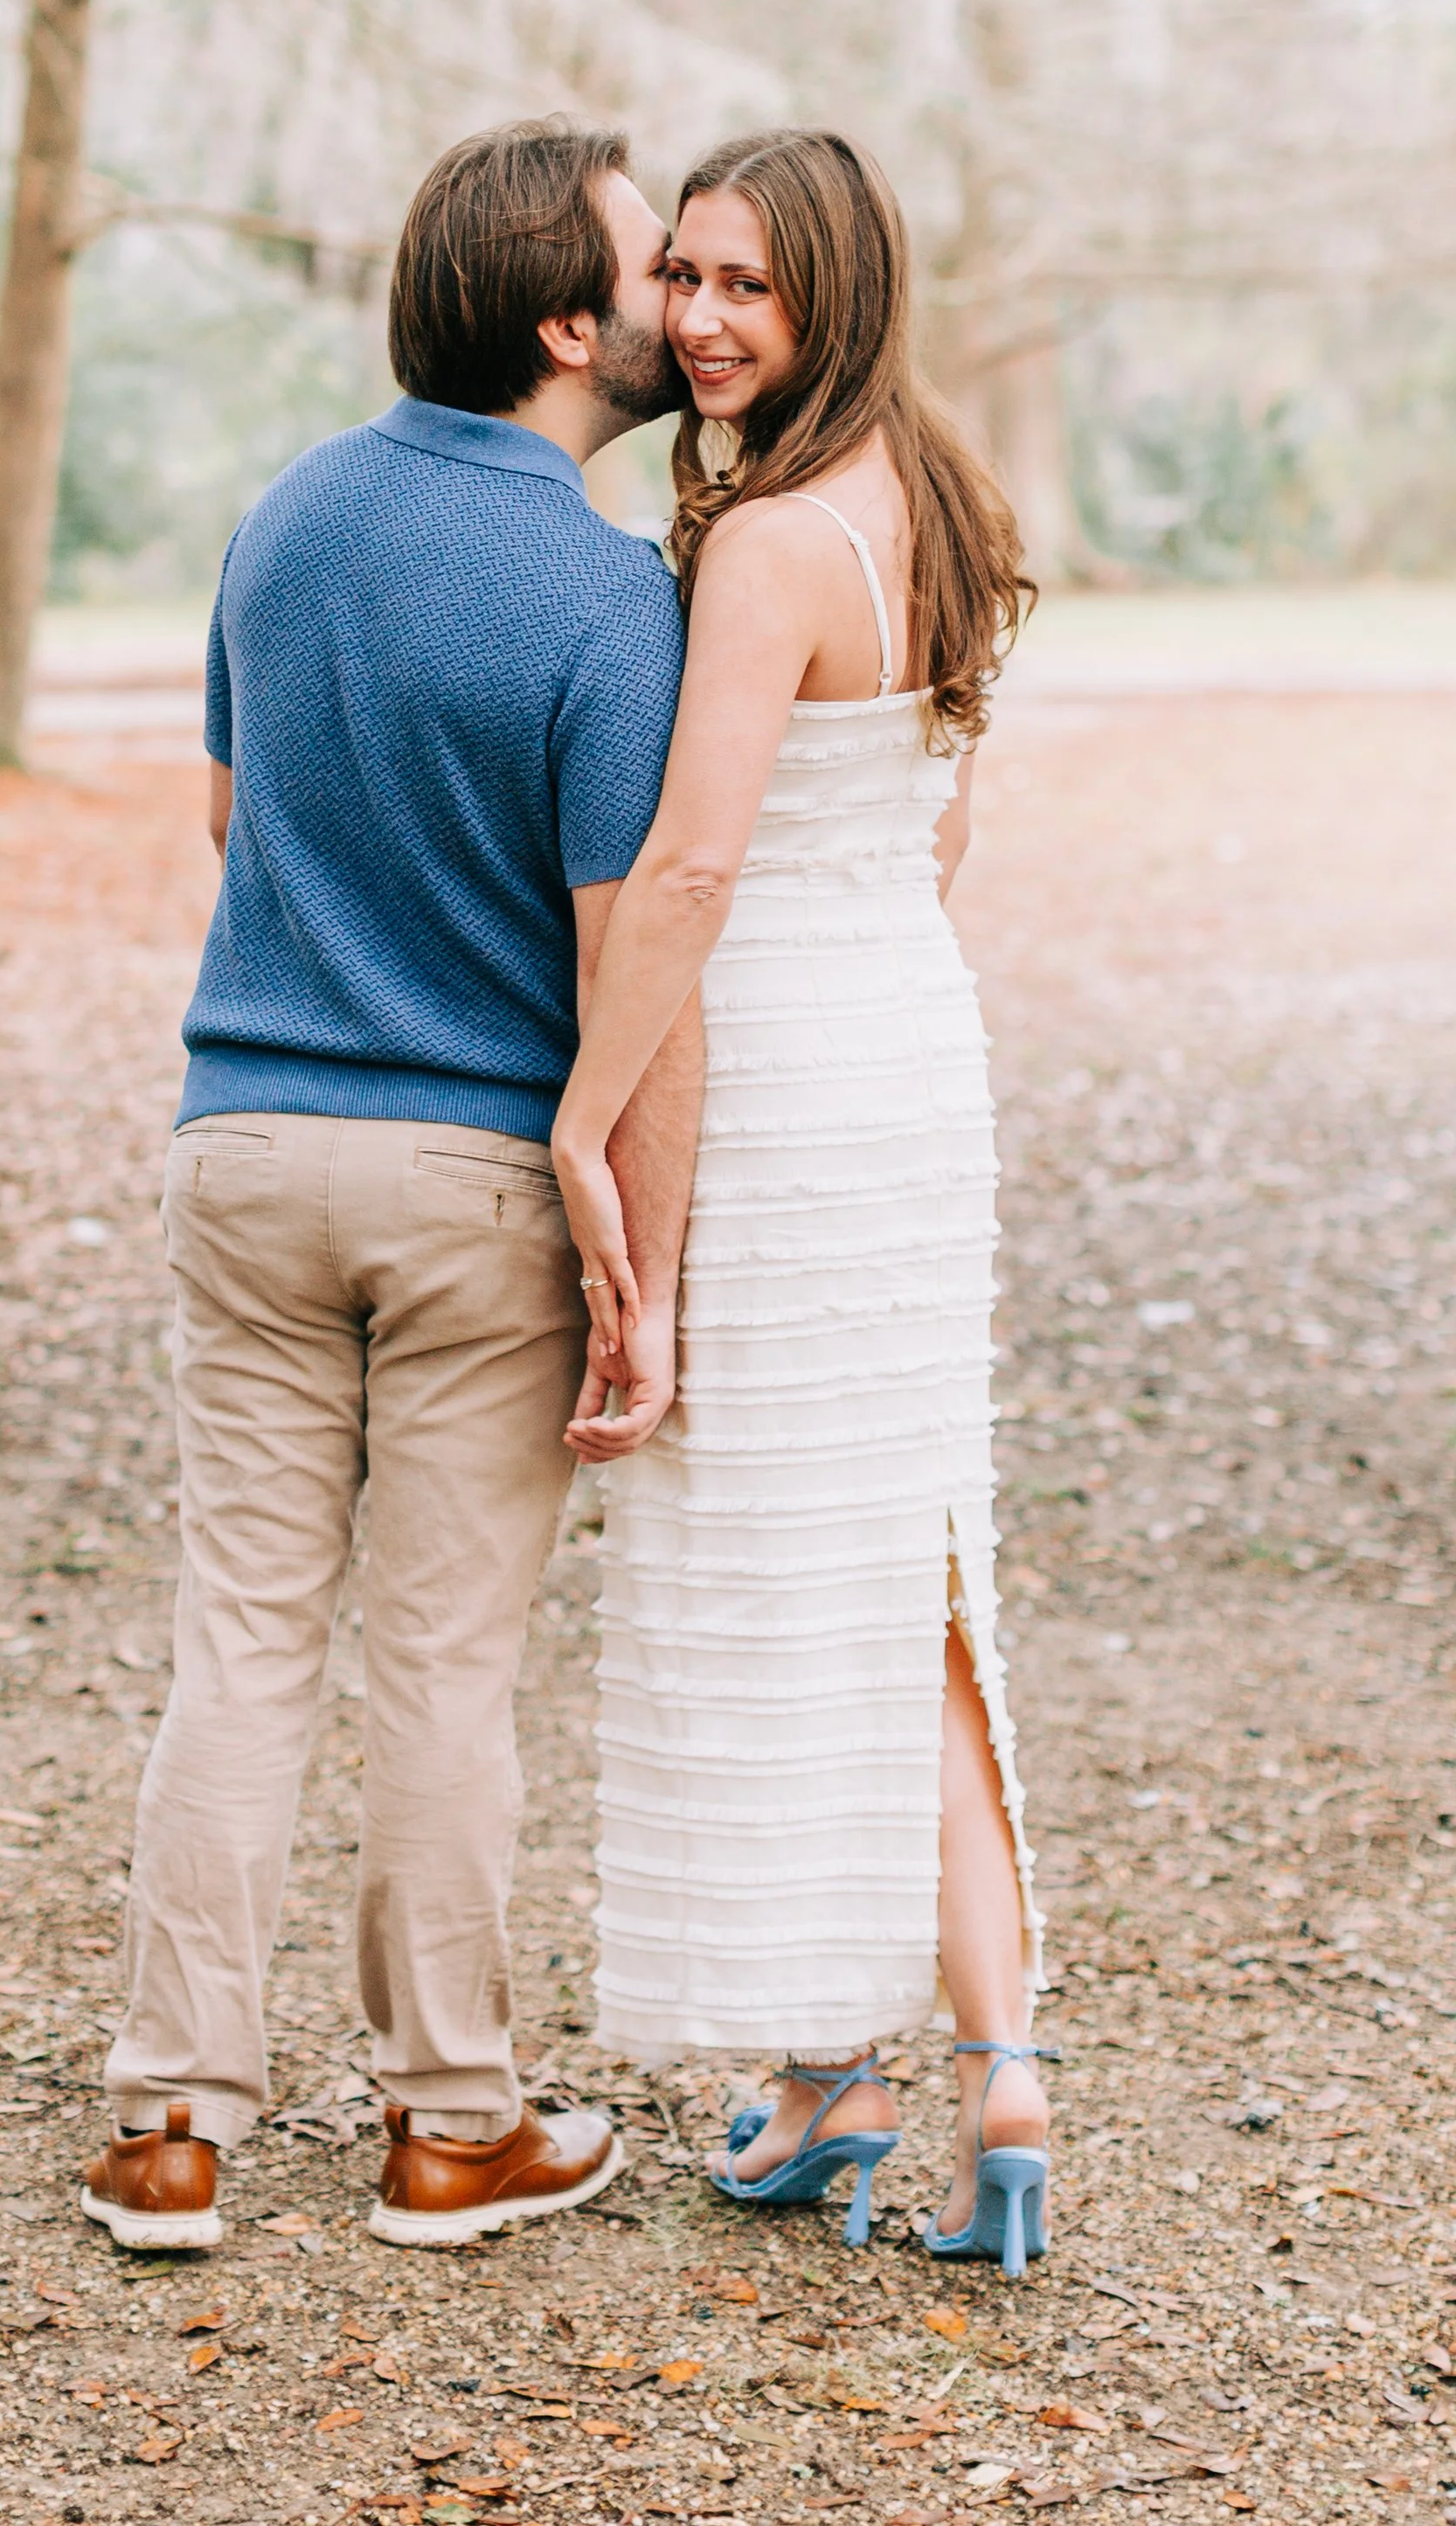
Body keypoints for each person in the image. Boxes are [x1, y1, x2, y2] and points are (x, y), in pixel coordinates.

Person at [80, 116, 704, 2254]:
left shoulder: (282, 518)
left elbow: (239, 821)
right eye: (646, 266)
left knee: (238, 1639)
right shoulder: (609, 600)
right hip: (472, 1182)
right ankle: (451, 2124)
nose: (674, 303)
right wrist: (651, 1279)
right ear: (563, 325)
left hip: (240, 1150)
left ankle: (171, 2124)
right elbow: (629, 965)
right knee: (440, 1667)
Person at [551, 127, 1054, 2275]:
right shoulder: (939, 506)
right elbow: (932, 837)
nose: (700, 320)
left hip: (781, 1091)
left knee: (773, 1569)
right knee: (905, 1580)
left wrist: (586, 1119)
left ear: (833, 293)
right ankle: (984, 2081)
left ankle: (836, 2070)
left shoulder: (764, 549)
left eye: (747, 282)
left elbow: (684, 870)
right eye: (681, 276)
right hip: (913, 1065)